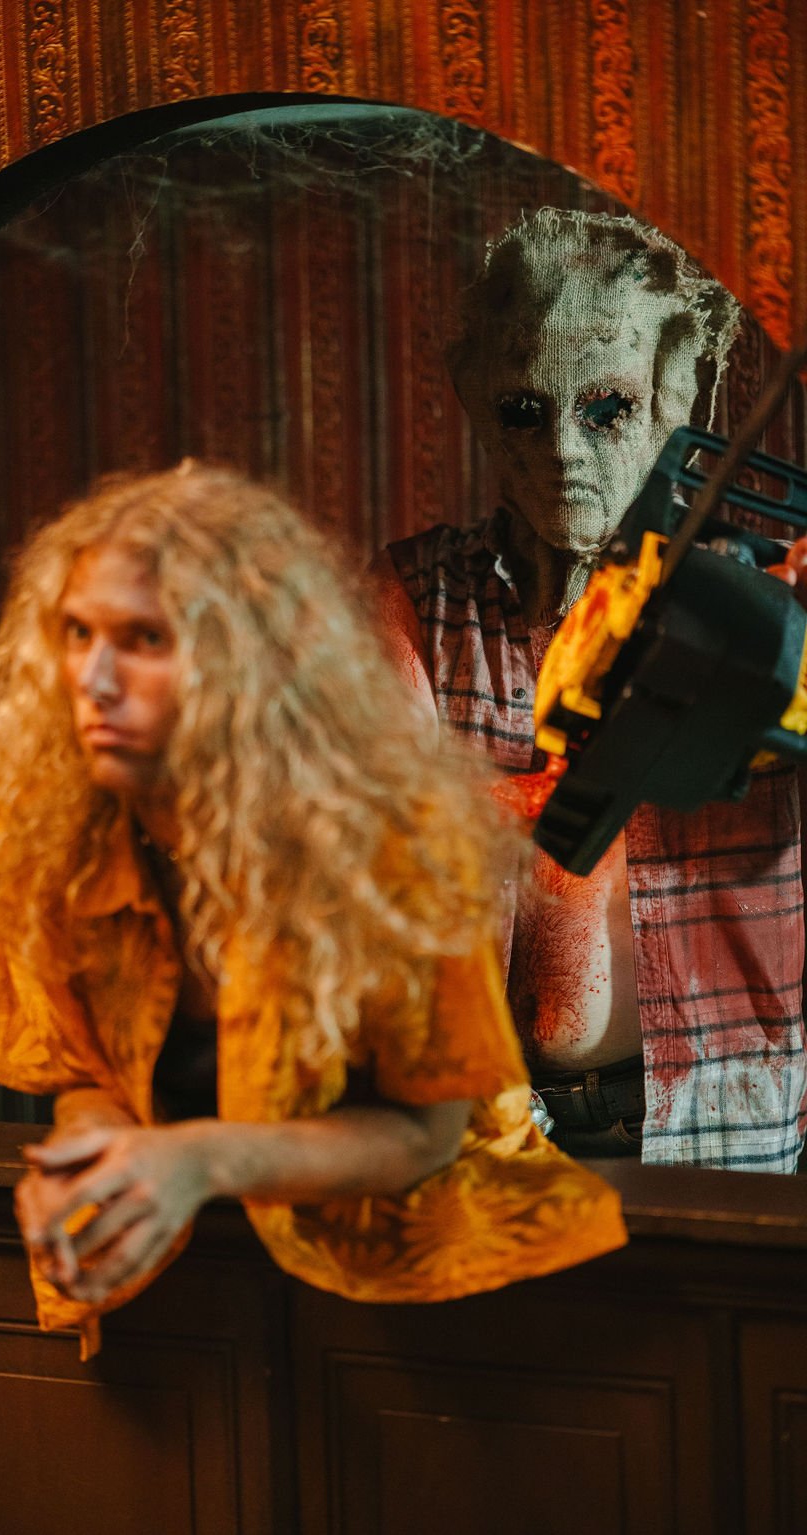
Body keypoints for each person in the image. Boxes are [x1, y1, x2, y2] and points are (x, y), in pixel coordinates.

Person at [0, 461, 624, 1355]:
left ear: (243, 661)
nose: (93, 677)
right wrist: (90, 1168)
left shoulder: (388, 842)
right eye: (77, 632)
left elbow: (427, 1133)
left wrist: (199, 1158)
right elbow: (85, 1075)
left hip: (436, 1275)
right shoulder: (51, 839)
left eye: (144, 638)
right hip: (202, 1284)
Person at [372, 207, 807, 1173]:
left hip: (722, 1121)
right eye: (524, 408)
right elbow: (374, 862)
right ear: (475, 400)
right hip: (489, 1131)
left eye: (605, 405)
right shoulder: (415, 599)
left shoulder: (775, 595)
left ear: (677, 389)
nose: (564, 450)